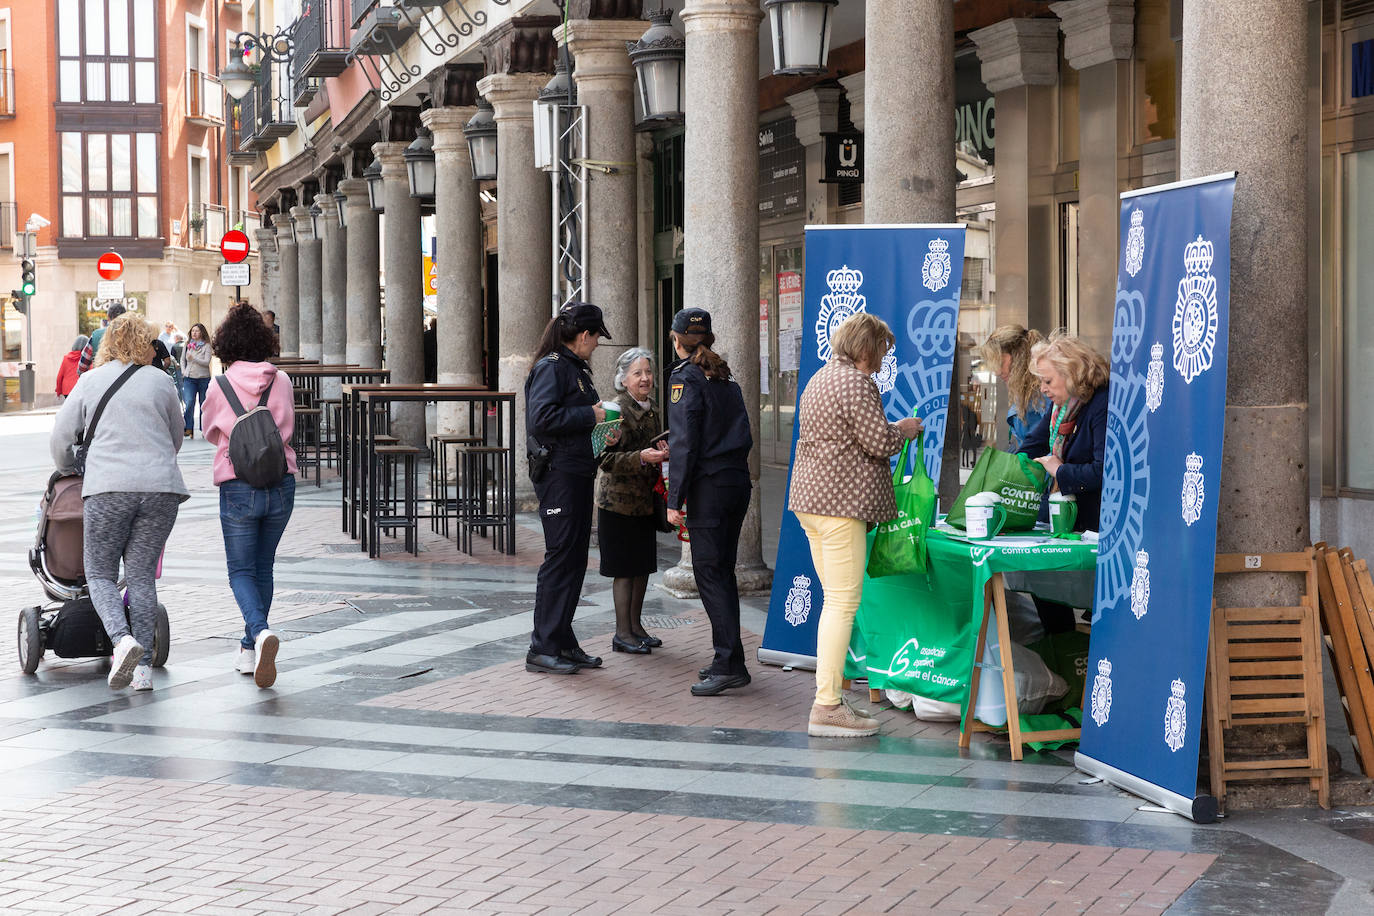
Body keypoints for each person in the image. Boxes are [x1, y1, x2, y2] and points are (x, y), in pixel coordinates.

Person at [788, 313, 922, 736]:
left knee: (834, 603)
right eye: (882, 348)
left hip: (811, 502)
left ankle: (830, 698)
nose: (884, 357)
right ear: (867, 346)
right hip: (839, 505)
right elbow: (879, 441)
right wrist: (904, 429)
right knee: (842, 605)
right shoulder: (857, 383)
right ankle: (827, 706)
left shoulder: (821, 378)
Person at [49, 314, 188, 692]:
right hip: (161, 489)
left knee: (99, 574)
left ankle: (122, 639)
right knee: (141, 574)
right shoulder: (161, 380)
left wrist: (67, 468)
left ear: (107, 341)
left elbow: (62, 435)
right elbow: (176, 434)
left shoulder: (90, 381)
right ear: (146, 342)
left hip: (108, 487)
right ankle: (142, 670)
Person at [201, 303, 299, 688]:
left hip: (237, 483)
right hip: (280, 481)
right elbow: (288, 427)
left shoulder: (218, 385)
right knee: (264, 567)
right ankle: (249, 647)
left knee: (240, 571)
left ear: (225, 344)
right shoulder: (283, 381)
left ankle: (258, 633)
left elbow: (210, 431)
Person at [664, 308, 754, 697]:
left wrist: (674, 498)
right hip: (735, 482)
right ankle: (729, 659)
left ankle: (728, 661)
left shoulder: (685, 378)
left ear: (675, 338)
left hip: (711, 488)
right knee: (722, 573)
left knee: (710, 575)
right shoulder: (724, 376)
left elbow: (684, 443)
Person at [524, 301, 617, 675]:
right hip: (559, 475)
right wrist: (589, 415)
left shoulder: (574, 368)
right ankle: (542, 647)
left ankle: (562, 639)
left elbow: (570, 420)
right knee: (560, 557)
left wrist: (603, 430)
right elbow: (541, 418)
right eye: (596, 337)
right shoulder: (552, 368)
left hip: (577, 471)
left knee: (575, 559)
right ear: (583, 335)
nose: (596, 344)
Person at [1017, 334, 1109, 633]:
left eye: (1047, 381)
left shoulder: (1100, 405)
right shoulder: (1060, 407)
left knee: (1091, 603)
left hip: (1094, 522)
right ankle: (1061, 650)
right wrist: (1002, 469)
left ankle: (1080, 657)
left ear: (1071, 374)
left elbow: (1103, 471)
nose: (1042, 389)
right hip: (1060, 515)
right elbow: (1031, 445)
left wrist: (1060, 470)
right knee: (1043, 583)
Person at [596, 347, 669, 655]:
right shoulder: (614, 410)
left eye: (648, 372)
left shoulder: (652, 410)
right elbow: (603, 458)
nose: (645, 378)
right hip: (618, 504)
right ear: (623, 378)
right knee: (624, 569)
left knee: (642, 567)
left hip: (644, 502)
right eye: (637, 373)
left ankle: (636, 627)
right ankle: (622, 633)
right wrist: (641, 456)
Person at [978, 325, 1047, 451]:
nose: (997, 372)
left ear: (1018, 357)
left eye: (1000, 362)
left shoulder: (1044, 390)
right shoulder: (1025, 389)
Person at [180, 323, 213, 438]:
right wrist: (183, 371)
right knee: (189, 402)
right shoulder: (188, 344)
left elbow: (206, 362)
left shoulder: (207, 346)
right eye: (193, 331)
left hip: (203, 378)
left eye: (197, 331)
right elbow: (182, 360)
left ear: (202, 332)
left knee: (204, 404)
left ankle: (204, 428)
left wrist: (194, 358)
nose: (194, 333)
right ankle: (188, 428)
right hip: (189, 378)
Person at [78, 303, 127, 374]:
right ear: (126, 317)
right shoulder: (133, 335)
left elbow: (82, 368)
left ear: (108, 318)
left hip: (100, 380)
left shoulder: (96, 335)